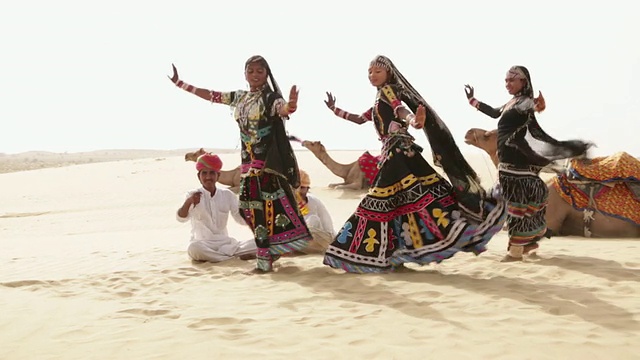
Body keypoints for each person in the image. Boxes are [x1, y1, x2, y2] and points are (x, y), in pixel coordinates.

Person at [321, 55, 508, 273]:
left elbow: (400, 109)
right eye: (370, 72)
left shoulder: (389, 91)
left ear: (388, 73)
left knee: (377, 201)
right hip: (396, 153)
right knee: (405, 202)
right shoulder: (379, 98)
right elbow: (360, 119)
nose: (372, 76)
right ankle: (398, 252)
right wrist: (335, 109)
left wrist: (414, 121)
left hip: (397, 153)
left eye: (377, 72)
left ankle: (360, 254)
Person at [168, 56, 312, 273]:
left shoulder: (271, 98)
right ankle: (267, 254)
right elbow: (212, 95)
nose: (255, 75)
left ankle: (265, 261)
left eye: (260, 71)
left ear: (266, 74)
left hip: (266, 165)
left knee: (264, 209)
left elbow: (283, 109)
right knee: (248, 209)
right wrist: (182, 84)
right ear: (245, 74)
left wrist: (291, 105)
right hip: (247, 164)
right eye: (251, 71)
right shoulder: (240, 97)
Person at [464, 65, 592, 261]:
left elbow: (531, 106)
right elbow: (494, 112)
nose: (507, 84)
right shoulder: (511, 102)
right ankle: (529, 244)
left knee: (516, 207)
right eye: (506, 80)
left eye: (512, 80)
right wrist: (473, 101)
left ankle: (515, 253)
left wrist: (538, 106)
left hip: (514, 163)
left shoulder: (523, 102)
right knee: (520, 205)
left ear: (524, 82)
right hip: (508, 163)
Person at [176, 153, 256, 262]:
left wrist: (254, 214)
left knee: (259, 242)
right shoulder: (192, 194)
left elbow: (240, 219)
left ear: (218, 176)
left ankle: (223, 257)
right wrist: (189, 202)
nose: (208, 177)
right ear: (198, 176)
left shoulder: (227, 194)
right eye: (204, 173)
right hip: (203, 244)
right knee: (193, 249)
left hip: (226, 244)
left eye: (212, 173)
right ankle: (231, 258)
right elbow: (181, 218)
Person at [295, 170, 335, 253]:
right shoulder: (286, 202)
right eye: (296, 188)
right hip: (298, 239)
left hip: (323, 239)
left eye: (302, 188)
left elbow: (328, 227)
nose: (298, 191)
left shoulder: (314, 202)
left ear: (307, 189)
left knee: (313, 219)